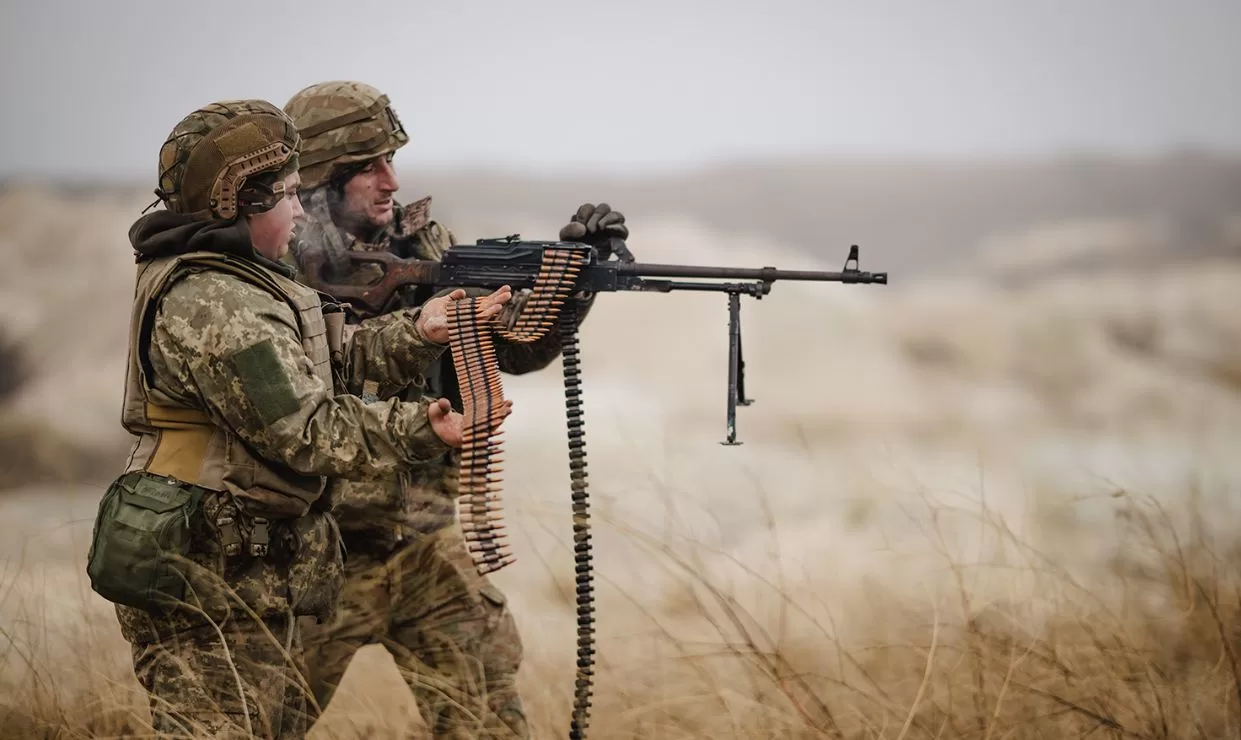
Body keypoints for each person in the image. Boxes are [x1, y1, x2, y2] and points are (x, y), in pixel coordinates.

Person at [87, 98, 511, 740]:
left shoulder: (251, 283)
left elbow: (333, 358)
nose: (298, 208)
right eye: (286, 194)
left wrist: (424, 328)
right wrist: (426, 428)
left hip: (244, 573)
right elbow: (306, 429)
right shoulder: (220, 302)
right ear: (240, 204)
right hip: (209, 582)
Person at [280, 80, 629, 738]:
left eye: (392, 162)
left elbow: (515, 354)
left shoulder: (427, 248)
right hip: (312, 552)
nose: (390, 181)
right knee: (254, 721)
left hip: (425, 545)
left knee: (486, 723)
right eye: (369, 168)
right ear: (322, 180)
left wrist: (570, 283)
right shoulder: (274, 275)